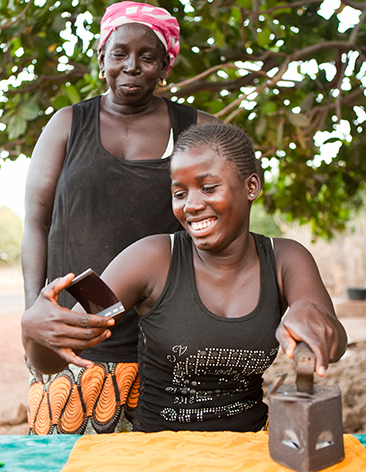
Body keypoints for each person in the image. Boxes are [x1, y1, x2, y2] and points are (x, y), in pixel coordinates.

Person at [23, 123, 346, 432]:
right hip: (163, 453)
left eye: (208, 188)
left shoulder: (285, 259)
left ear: (251, 186)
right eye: (180, 193)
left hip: (249, 451)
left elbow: (334, 343)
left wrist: (311, 314)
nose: (191, 205)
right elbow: (58, 353)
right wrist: (34, 331)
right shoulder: (150, 259)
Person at [20, 0, 221, 434]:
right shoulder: (67, 125)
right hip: (73, 341)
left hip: (166, 347)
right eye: (120, 54)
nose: (132, 66)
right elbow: (35, 223)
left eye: (148, 57)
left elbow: (225, 219)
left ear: (166, 65)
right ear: (101, 58)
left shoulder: (197, 131)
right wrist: (35, 314)